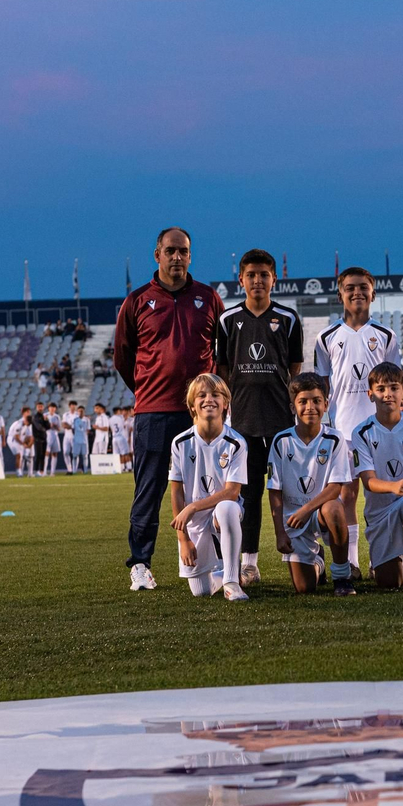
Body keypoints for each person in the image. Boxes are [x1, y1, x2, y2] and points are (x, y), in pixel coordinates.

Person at [115, 226, 224, 592]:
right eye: (170, 251)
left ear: (190, 256)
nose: (177, 257)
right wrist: (148, 391)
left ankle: (217, 562)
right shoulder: (137, 301)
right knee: (149, 488)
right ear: (157, 255)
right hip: (154, 413)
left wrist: (212, 400)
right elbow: (122, 358)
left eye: (183, 251)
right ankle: (141, 564)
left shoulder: (208, 298)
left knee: (211, 486)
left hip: (202, 414)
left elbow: (221, 354)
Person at [216, 248, 303, 588]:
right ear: (241, 280)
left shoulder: (288, 318)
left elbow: (293, 368)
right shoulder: (228, 321)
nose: (257, 280)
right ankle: (249, 564)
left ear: (273, 279)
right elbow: (223, 371)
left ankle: (298, 557)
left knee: (291, 490)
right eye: (251, 275)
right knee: (249, 495)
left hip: (281, 421)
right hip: (244, 422)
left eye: (263, 275)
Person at [313, 266, 402, 574]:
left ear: (373, 293)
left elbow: (394, 383)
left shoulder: (386, 335)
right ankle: (350, 562)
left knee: (380, 494)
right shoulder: (326, 338)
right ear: (341, 294)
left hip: (380, 429)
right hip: (344, 430)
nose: (357, 292)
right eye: (350, 288)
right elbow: (324, 388)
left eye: (363, 287)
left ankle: (383, 558)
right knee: (347, 494)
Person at [350, 360, 403, 590]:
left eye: (393, 388)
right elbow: (368, 481)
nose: (387, 394)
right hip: (380, 512)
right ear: (370, 395)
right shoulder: (361, 432)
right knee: (390, 584)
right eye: (380, 389)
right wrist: (394, 486)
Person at [266, 373, 356, 596]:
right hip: (293, 519)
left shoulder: (335, 439)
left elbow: (336, 487)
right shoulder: (281, 441)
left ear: (326, 404)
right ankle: (318, 564)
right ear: (292, 406)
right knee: (305, 588)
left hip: (318, 512)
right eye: (303, 401)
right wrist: (279, 532)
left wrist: (307, 510)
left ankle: (342, 576)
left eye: (316, 400)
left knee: (334, 507)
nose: (310, 407)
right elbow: (274, 491)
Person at [168, 374, 249, 602]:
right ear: (192, 405)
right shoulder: (180, 442)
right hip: (194, 523)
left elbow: (233, 492)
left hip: (220, 515)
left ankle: (232, 582)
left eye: (216, 395)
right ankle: (224, 572)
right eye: (201, 395)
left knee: (227, 508)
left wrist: (193, 506)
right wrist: (183, 539)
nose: (208, 399)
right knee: (201, 591)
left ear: (226, 404)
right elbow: (176, 492)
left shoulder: (237, 442)